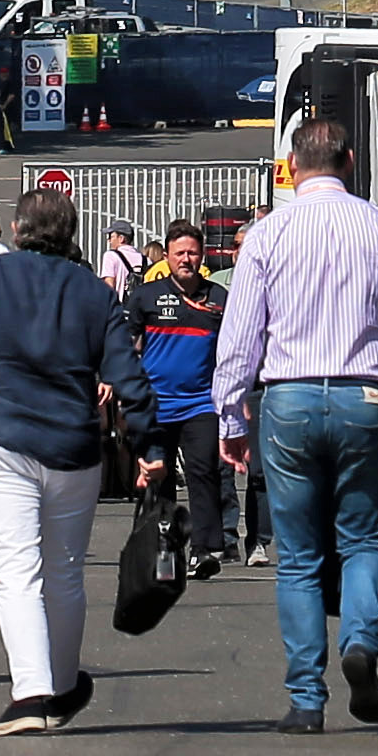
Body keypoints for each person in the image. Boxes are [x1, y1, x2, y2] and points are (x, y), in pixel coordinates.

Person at [213, 106, 378, 734]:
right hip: (362, 395)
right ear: (349, 161)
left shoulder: (267, 234)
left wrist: (230, 415)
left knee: (299, 555)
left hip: (286, 396)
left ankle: (306, 699)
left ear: (290, 167)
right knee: (365, 537)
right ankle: (361, 642)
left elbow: (239, 338)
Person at [0, 186, 150, 736]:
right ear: (71, 234)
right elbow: (127, 374)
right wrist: (152, 445)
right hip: (73, 442)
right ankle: (65, 682)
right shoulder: (95, 292)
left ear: (19, 231)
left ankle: (31, 693)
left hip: (3, 432)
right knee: (65, 572)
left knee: (17, 571)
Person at [124, 222, 232, 577]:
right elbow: (128, 344)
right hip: (156, 403)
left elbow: (232, 350)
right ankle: (165, 553)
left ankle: (205, 549)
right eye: (179, 253)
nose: (186, 259)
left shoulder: (218, 298)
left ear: (202, 257)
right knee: (160, 480)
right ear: (167, 257)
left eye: (192, 253)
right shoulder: (147, 296)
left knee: (204, 472)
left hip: (202, 402)